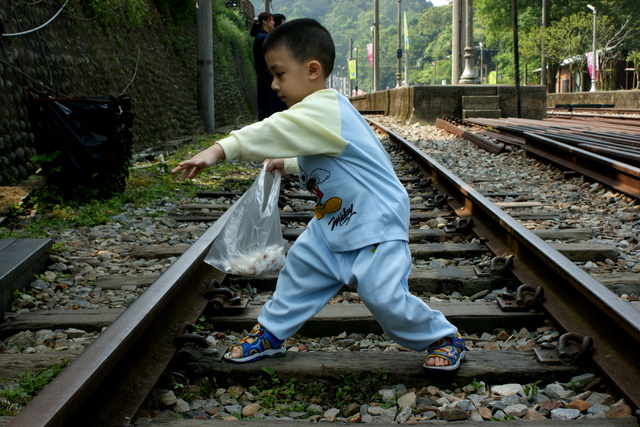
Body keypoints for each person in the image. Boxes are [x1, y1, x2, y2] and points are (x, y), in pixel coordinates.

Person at [172, 18, 465, 372]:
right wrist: (289, 161)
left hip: (374, 222)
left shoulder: (326, 107)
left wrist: (220, 150)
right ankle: (270, 333)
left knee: (383, 295)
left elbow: (275, 128)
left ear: (312, 70)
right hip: (333, 225)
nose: (274, 84)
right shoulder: (320, 115)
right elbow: (326, 156)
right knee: (298, 271)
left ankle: (443, 338)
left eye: (279, 74)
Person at [250, 12, 286, 120]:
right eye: (271, 20)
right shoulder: (264, 38)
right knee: (270, 107)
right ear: (264, 22)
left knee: (267, 106)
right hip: (268, 77)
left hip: (265, 77)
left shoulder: (261, 37)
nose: (273, 23)